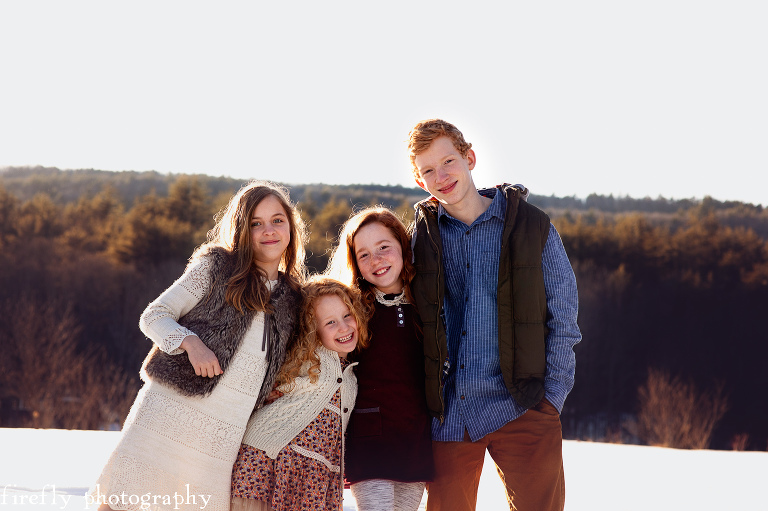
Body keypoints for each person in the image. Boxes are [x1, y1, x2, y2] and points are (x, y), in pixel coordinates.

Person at [88, 181, 306, 511]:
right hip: (169, 414)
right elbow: (154, 315)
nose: (269, 231)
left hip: (224, 434)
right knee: (125, 502)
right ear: (242, 230)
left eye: (277, 220)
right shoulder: (216, 268)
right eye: (256, 223)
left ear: (290, 225)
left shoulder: (293, 298)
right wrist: (191, 344)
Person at [407, 119, 582, 511]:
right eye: (428, 171)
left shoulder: (531, 225)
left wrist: (551, 399)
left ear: (469, 158)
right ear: (420, 182)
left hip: (522, 404)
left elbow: (564, 317)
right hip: (452, 413)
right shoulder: (423, 238)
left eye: (448, 162)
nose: (441, 176)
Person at [326, 207, 434, 511]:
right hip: (369, 439)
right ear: (355, 263)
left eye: (384, 247)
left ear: (403, 245)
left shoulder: (426, 303)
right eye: (364, 255)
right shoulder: (353, 310)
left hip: (415, 438)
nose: (376, 260)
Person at [230, 276, 368, 511]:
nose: (344, 327)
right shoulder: (308, 357)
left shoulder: (351, 374)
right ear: (313, 330)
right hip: (270, 459)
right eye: (330, 322)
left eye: (347, 315)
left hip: (314, 473)